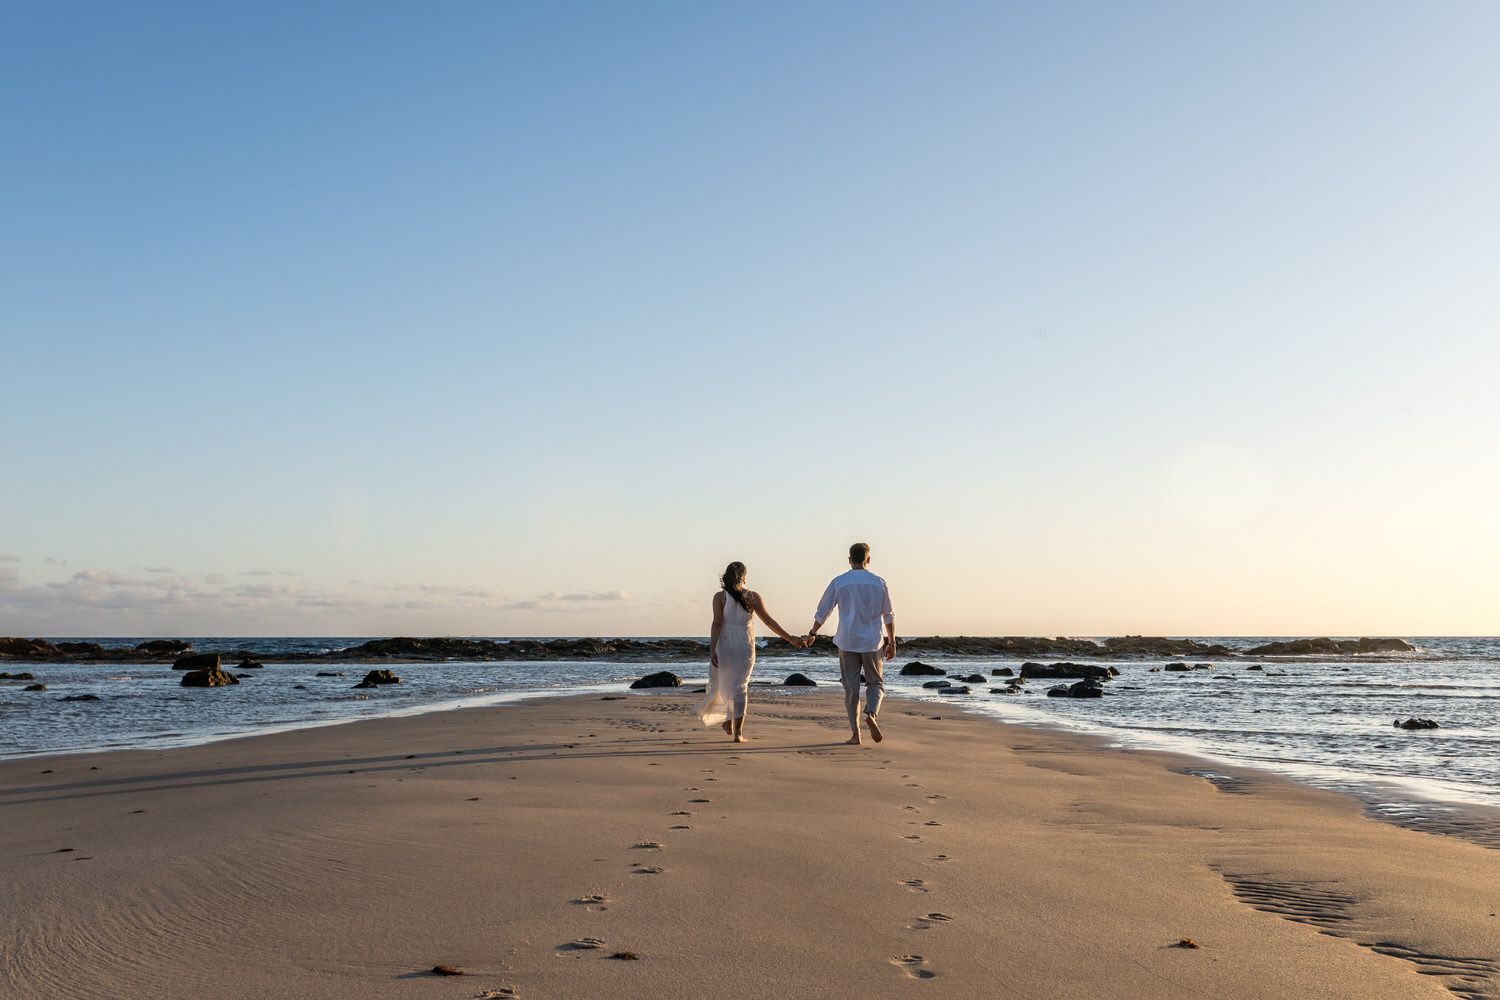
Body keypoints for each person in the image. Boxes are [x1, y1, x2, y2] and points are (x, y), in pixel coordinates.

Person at [698, 561, 809, 742]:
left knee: (724, 683)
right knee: (740, 687)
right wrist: (790, 638)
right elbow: (769, 622)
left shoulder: (719, 597)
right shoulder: (753, 597)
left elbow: (717, 623)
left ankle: (728, 721)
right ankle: (738, 733)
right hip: (744, 646)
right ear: (744, 576)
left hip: (724, 645)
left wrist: (712, 650)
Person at [806, 542, 895, 745]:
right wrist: (892, 642)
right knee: (875, 683)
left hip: (847, 640)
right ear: (868, 559)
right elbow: (888, 615)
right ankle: (871, 714)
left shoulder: (840, 582)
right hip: (872, 642)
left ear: (849, 560)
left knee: (851, 689)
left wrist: (813, 633)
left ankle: (856, 735)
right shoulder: (879, 582)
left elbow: (823, 610)